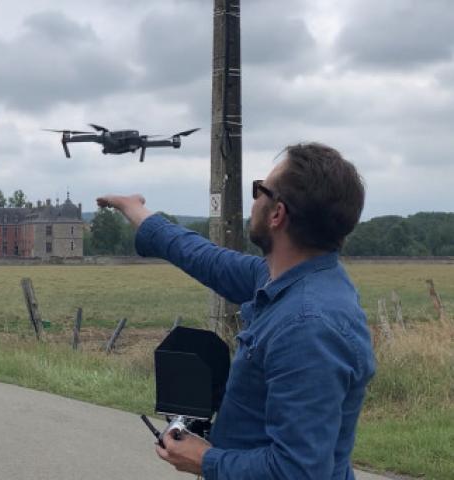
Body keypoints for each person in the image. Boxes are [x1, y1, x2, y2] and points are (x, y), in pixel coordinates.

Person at [98, 143, 375, 479]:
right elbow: (205, 258)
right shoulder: (285, 279)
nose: (254, 197)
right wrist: (138, 212)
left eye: (261, 189)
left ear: (277, 214)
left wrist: (205, 459)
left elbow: (298, 471)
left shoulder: (308, 326)